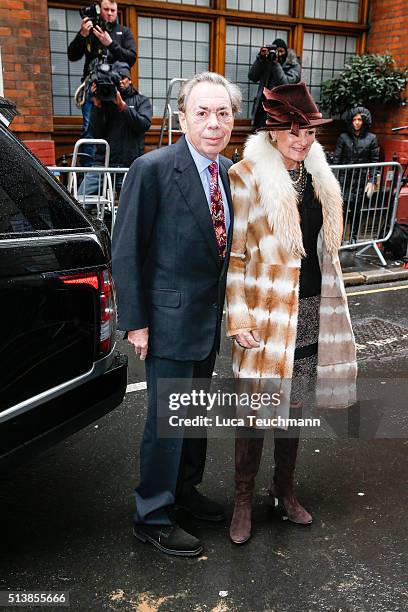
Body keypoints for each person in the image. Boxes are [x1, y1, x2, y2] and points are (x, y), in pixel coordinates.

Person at [112, 72, 242, 557]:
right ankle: (152, 515)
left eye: (223, 113)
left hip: (206, 321)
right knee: (166, 423)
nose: (214, 123)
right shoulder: (152, 168)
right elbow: (126, 250)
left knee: (194, 417)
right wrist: (136, 321)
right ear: (182, 116)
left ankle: (184, 493)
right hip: (166, 321)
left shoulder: (230, 172)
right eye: (203, 112)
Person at [226, 82, 357, 545]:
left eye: (309, 132)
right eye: (293, 131)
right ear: (274, 131)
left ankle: (283, 490)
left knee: (294, 406)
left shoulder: (319, 176)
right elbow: (236, 255)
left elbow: (324, 245)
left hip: (308, 309)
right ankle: (243, 498)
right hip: (263, 312)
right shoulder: (245, 175)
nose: (302, 141)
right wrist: (238, 316)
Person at [67, 0, 136, 165]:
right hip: (93, 87)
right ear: (99, 10)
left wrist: (110, 44)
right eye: (106, 9)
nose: (110, 13)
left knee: (118, 128)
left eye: (113, 10)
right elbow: (72, 55)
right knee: (89, 130)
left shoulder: (124, 32)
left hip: (117, 88)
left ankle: (112, 174)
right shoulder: (90, 30)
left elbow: (131, 57)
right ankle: (91, 174)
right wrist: (82, 35)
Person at [80, 61, 152, 200]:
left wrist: (123, 107)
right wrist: (97, 105)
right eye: (118, 80)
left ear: (129, 80)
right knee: (81, 200)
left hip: (130, 165)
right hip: (104, 163)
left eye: (123, 78)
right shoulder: (104, 100)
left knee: (132, 206)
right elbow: (96, 133)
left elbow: (144, 124)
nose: (120, 83)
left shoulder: (140, 101)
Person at [333, 107, 380, 242]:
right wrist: (334, 181)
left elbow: (375, 162)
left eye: (360, 119)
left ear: (364, 121)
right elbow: (336, 160)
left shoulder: (372, 138)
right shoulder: (343, 137)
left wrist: (372, 181)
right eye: (354, 119)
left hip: (361, 181)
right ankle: (339, 237)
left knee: (357, 211)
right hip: (344, 180)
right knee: (341, 211)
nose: (357, 122)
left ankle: (353, 237)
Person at [248, 38, 301, 130]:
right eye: (276, 51)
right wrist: (260, 58)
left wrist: (275, 64)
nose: (279, 54)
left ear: (286, 52)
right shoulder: (266, 62)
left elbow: (285, 84)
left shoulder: (293, 66)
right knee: (260, 140)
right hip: (263, 111)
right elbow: (252, 77)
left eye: (281, 51)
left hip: (282, 113)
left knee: (277, 141)